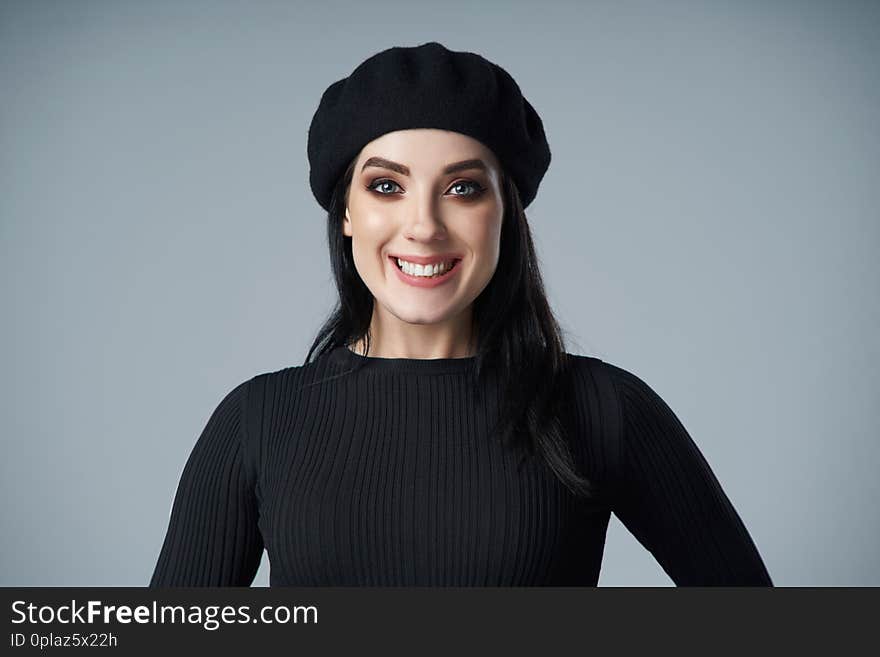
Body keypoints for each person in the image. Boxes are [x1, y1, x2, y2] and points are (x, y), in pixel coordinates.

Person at [149, 42, 773, 587]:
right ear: (345, 213)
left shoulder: (602, 409)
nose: (423, 226)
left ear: (507, 215)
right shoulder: (257, 421)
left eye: (464, 188)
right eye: (386, 186)